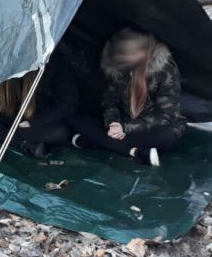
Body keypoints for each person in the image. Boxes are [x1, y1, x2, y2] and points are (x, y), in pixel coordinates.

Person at [70, 28, 186, 166]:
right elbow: (110, 100)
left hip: (154, 126)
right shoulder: (118, 67)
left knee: (166, 137)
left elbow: (167, 114)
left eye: (130, 54)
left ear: (144, 52)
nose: (124, 57)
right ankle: (135, 152)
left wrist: (125, 128)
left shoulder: (165, 70)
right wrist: (113, 123)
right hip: (125, 120)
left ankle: (94, 141)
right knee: (77, 120)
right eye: (122, 54)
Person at [0, 53, 77, 158]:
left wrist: (32, 122)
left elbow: (67, 104)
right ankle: (22, 144)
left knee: (60, 132)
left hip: (40, 120)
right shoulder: (7, 60)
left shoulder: (54, 63)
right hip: (15, 117)